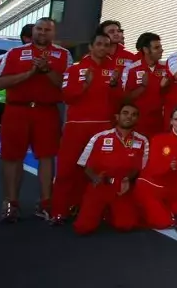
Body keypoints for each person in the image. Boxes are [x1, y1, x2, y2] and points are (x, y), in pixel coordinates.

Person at [0, 17, 71, 222]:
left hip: (46, 111)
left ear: (53, 33)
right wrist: (29, 74)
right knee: (12, 157)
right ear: (33, 31)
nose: (42, 33)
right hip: (16, 111)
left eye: (47, 30)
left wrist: (47, 70)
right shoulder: (14, 53)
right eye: (39, 29)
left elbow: (67, 86)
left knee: (47, 157)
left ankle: (45, 203)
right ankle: (11, 203)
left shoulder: (63, 55)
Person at [51, 32, 125, 224]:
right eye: (99, 44)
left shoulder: (114, 70)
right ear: (91, 47)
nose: (103, 48)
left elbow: (120, 101)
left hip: (103, 127)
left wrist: (116, 85)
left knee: (102, 170)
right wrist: (84, 86)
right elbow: (67, 97)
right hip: (77, 127)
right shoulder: (75, 69)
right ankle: (59, 210)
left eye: (106, 45)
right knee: (67, 169)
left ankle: (94, 209)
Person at [73, 102, 149, 235]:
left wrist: (127, 179)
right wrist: (95, 178)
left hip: (123, 187)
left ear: (137, 119)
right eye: (125, 113)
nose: (129, 117)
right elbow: (83, 163)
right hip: (100, 185)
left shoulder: (142, 141)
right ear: (117, 117)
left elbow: (141, 167)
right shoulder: (100, 137)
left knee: (126, 226)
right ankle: (99, 210)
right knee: (83, 228)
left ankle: (109, 212)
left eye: (133, 115)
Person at [132, 106, 177, 229]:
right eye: (176, 119)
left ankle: (168, 211)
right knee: (163, 222)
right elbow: (153, 166)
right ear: (171, 121)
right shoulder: (158, 139)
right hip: (155, 186)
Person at [122, 33, 171, 138]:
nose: (161, 50)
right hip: (139, 124)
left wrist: (164, 87)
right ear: (145, 50)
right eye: (156, 47)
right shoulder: (131, 69)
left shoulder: (166, 67)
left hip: (160, 123)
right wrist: (142, 87)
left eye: (161, 47)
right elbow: (125, 99)